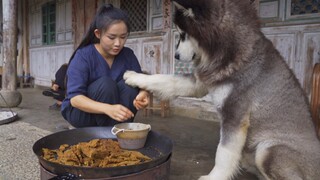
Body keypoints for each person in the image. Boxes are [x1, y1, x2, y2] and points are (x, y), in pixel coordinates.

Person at [61, 4, 149, 128]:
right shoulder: (83, 56)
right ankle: (112, 135)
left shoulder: (128, 55)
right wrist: (108, 109)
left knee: (130, 86)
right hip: (81, 114)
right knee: (106, 85)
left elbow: (141, 82)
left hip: (114, 115)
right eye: (111, 37)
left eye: (123, 37)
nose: (118, 43)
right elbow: (75, 99)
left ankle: (117, 131)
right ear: (98, 34)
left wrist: (143, 94)